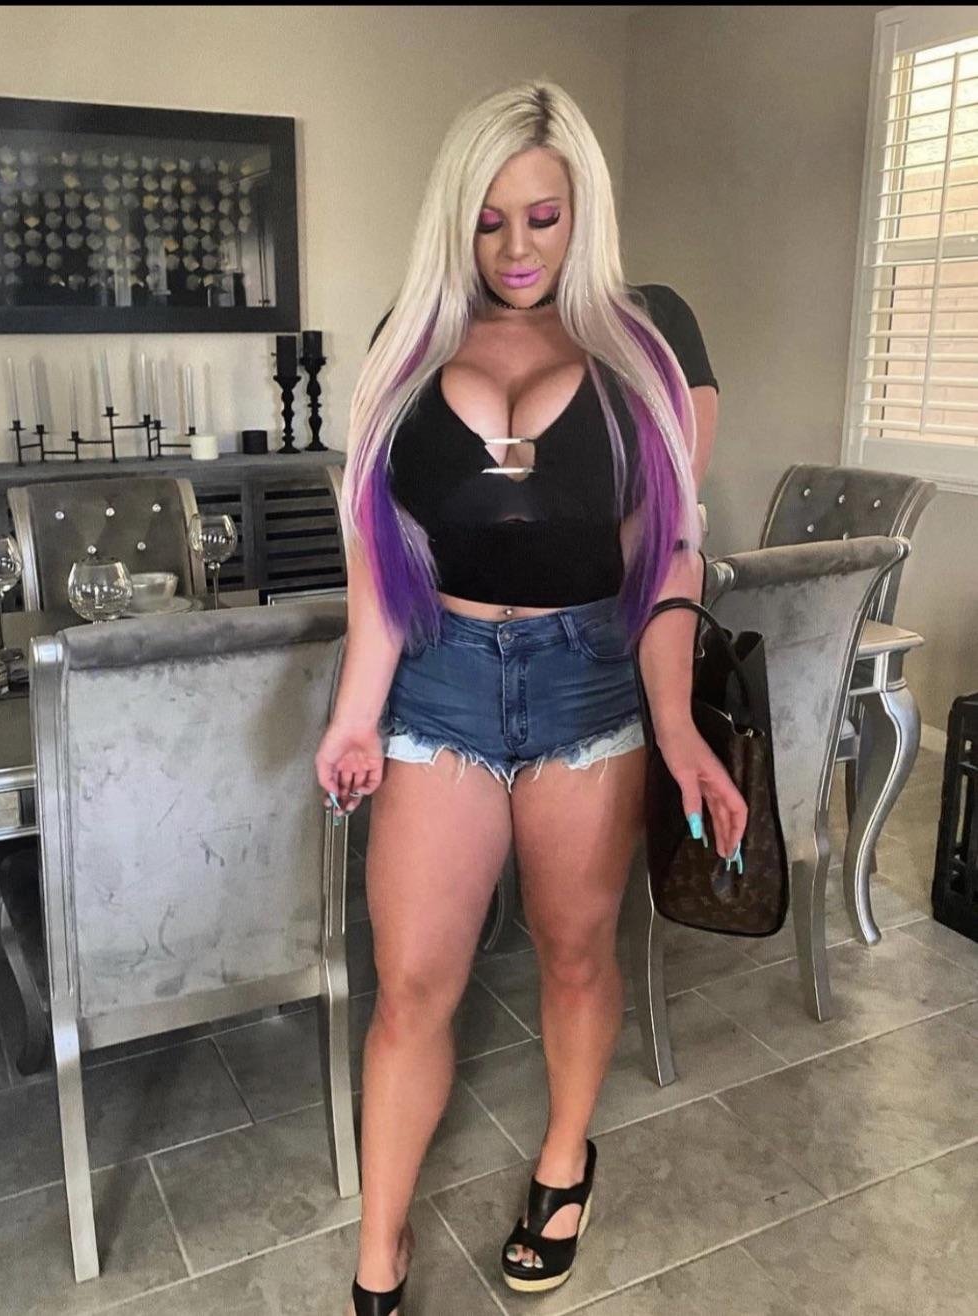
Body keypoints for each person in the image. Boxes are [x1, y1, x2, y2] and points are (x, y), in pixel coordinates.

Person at [315, 80, 747, 1316]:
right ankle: (380, 1251)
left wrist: (676, 724)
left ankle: (563, 1162)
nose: (515, 248)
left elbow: (668, 551)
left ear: (582, 212)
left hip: (588, 682)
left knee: (573, 949)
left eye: (543, 218)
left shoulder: (648, 339)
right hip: (440, 681)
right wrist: (357, 711)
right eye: (489, 219)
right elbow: (379, 554)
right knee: (411, 982)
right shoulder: (409, 336)